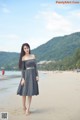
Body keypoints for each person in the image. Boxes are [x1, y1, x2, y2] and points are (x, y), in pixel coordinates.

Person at [17, 43, 39, 115]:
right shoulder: (23, 58)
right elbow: (23, 69)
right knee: (24, 93)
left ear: (29, 48)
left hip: (33, 75)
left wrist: (37, 75)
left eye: (27, 48)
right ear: (23, 50)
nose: (26, 49)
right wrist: (23, 78)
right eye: (25, 48)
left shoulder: (33, 56)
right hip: (26, 76)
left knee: (30, 93)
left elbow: (35, 66)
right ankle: (24, 107)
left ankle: (28, 109)